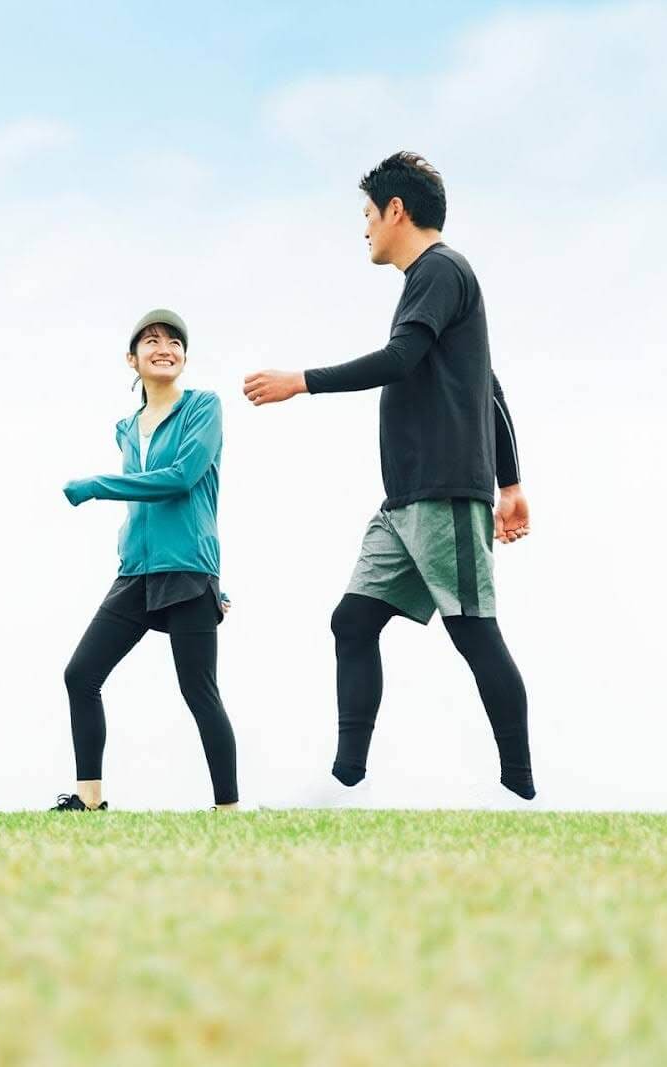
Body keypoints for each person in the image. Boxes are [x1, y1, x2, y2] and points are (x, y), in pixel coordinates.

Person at [242, 152, 536, 804]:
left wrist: (302, 382)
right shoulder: (431, 281)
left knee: (474, 631)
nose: (365, 229)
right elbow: (485, 384)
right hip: (402, 501)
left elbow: (404, 360)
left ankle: (521, 791)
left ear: (396, 210)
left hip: (444, 491)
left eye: (368, 215)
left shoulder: (439, 269)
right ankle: (345, 781)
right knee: (351, 620)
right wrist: (513, 485)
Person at [56, 309, 238, 812]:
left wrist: (97, 486)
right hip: (135, 573)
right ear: (131, 359)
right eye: (152, 340)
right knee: (81, 675)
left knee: (199, 691)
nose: (165, 348)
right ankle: (89, 803)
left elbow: (181, 479)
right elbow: (142, 502)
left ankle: (228, 810)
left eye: (174, 341)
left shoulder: (203, 407)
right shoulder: (126, 428)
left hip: (186, 570)